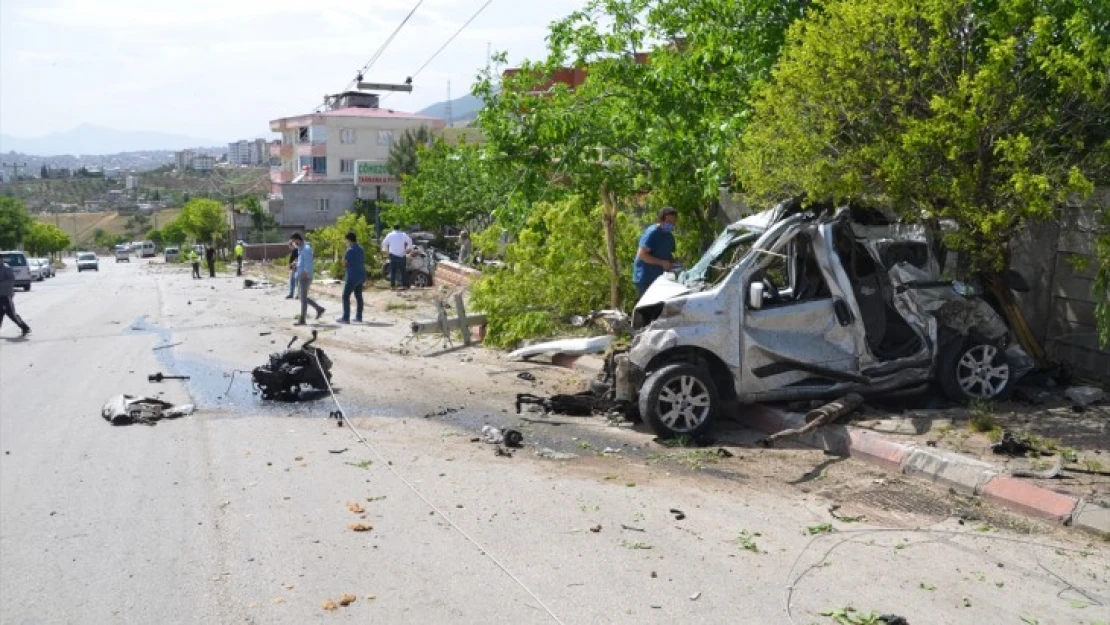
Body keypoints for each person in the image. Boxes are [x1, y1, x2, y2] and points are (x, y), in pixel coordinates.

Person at [633, 207, 678, 297]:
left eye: (673, 222)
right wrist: (662, 263)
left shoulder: (670, 237)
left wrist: (674, 264)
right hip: (645, 280)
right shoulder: (652, 233)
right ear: (661, 220)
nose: (671, 225)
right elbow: (642, 255)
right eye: (669, 222)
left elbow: (668, 255)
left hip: (659, 280)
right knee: (650, 308)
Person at [289, 233, 325, 325]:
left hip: (305, 277)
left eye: (294, 241)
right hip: (301, 276)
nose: (293, 243)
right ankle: (319, 309)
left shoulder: (306, 249)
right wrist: (295, 264)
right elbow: (303, 262)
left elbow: (309, 263)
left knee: (303, 298)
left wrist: (305, 272)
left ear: (298, 239)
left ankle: (302, 320)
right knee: (302, 297)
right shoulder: (301, 249)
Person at [337, 232, 366, 324]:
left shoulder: (349, 250)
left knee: (345, 296)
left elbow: (345, 264)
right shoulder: (361, 248)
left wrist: (342, 258)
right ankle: (359, 316)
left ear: (349, 240)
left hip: (352, 276)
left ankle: (346, 318)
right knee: (359, 296)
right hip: (361, 275)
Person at [0, 261, 31, 337]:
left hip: (6, 295)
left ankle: (24, 327)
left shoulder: (6, 268)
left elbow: (11, 280)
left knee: (12, 314)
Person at [381, 224, 413, 290]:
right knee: (403, 271)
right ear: (399, 228)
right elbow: (410, 241)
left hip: (393, 255)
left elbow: (384, 243)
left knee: (393, 271)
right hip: (402, 255)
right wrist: (408, 249)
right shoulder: (403, 234)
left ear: (393, 228)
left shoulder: (390, 235)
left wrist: (386, 251)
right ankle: (404, 285)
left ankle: (393, 286)